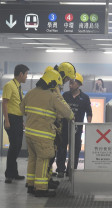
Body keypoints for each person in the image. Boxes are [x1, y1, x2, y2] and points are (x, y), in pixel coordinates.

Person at [20, 69, 74, 197]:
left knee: (33, 159)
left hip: (29, 133)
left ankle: (31, 185)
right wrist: (71, 115)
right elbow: (67, 113)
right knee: (43, 160)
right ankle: (41, 189)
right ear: (52, 83)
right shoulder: (52, 96)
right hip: (43, 135)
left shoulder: (31, 93)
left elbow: (22, 109)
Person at [56, 73, 93, 178]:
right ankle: (60, 170)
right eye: (69, 83)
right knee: (62, 149)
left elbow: (89, 113)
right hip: (64, 128)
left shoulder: (85, 98)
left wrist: (88, 125)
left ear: (79, 84)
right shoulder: (65, 95)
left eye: (72, 83)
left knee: (75, 150)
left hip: (77, 130)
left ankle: (71, 170)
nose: (70, 85)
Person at [3, 64, 29, 184]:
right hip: (11, 119)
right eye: (26, 74)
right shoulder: (9, 86)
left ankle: (14, 172)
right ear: (21, 74)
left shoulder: (18, 87)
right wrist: (7, 120)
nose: (26, 77)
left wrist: (21, 121)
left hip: (18, 119)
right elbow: (5, 103)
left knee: (17, 146)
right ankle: (9, 174)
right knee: (14, 146)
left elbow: (17, 104)